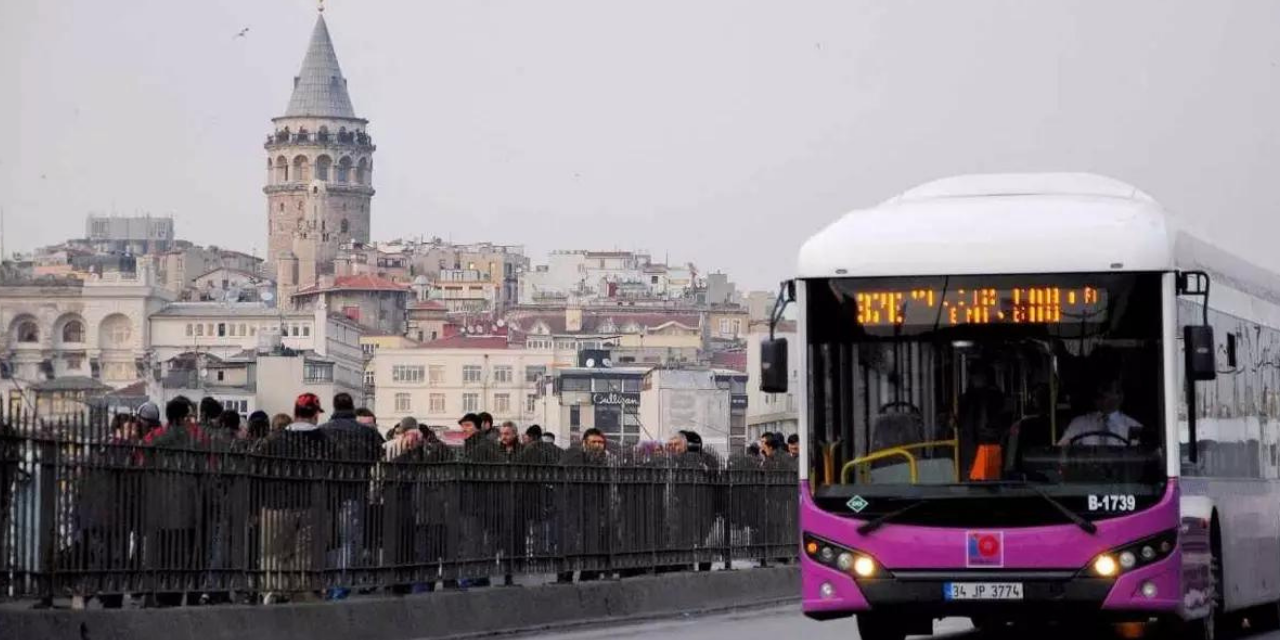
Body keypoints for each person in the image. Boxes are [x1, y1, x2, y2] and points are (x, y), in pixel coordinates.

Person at [257, 393, 329, 604]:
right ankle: (303, 595)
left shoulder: (273, 441)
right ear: (316, 415)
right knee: (306, 558)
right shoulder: (324, 441)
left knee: (274, 554)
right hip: (311, 506)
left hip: (276, 506)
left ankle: (274, 591)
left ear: (295, 413)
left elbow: (258, 473)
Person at [318, 393, 383, 601]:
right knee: (349, 541)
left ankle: (326, 584)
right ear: (352, 407)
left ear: (334, 405)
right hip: (355, 490)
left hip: (328, 492)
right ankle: (341, 585)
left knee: (329, 541)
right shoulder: (366, 433)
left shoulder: (322, 431)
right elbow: (377, 455)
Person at [1058, 378, 1142, 446]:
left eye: (1107, 389)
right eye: (1098, 391)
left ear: (1120, 396)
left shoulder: (1134, 426)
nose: (1101, 392)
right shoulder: (1079, 423)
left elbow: (1136, 456)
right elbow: (1062, 450)